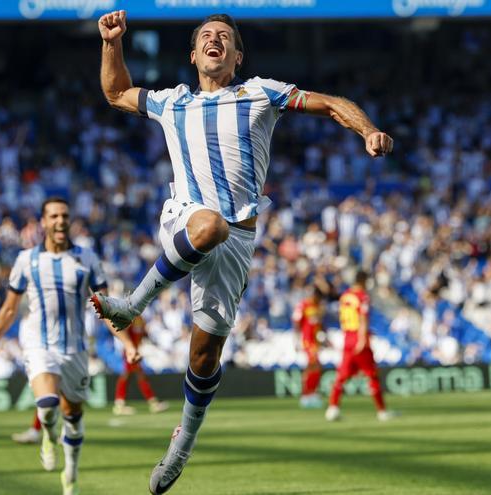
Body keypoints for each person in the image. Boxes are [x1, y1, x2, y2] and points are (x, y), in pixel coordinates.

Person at [93, 11, 393, 494]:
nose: (215, 41)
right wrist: (112, 43)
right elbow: (114, 92)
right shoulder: (172, 102)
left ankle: (181, 446)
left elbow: (332, 103)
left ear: (236, 55)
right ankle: (132, 304)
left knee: (205, 350)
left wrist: (367, 130)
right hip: (189, 217)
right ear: (193, 55)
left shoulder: (261, 93)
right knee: (208, 223)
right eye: (206, 37)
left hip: (238, 238)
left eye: (224, 38)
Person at [0, 197, 140, 495]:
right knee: (48, 405)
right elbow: (9, 309)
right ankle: (49, 437)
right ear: (43, 222)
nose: (60, 221)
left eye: (64, 215)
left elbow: (107, 307)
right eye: (53, 216)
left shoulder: (87, 258)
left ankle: (71, 475)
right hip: (39, 344)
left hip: (75, 347)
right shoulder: (27, 260)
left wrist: (127, 342)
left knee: (73, 417)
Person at [325, 271, 393, 422]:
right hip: (359, 338)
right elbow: (363, 318)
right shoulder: (362, 296)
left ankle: (332, 408)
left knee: (342, 376)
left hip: (347, 338)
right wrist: (363, 339)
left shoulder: (345, 296)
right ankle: (382, 412)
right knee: (372, 375)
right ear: (363, 281)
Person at [113, 316, 170, 416]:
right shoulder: (130, 318)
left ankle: (120, 403)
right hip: (130, 351)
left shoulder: (140, 319)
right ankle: (152, 402)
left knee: (129, 375)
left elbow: (143, 333)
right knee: (136, 375)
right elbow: (124, 333)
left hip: (135, 350)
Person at [293, 287, 324, 409]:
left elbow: (318, 325)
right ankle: (307, 395)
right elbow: (296, 323)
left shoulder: (317, 307)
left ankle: (311, 393)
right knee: (314, 365)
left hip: (315, 341)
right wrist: (296, 341)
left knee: (314, 367)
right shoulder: (303, 305)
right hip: (307, 341)